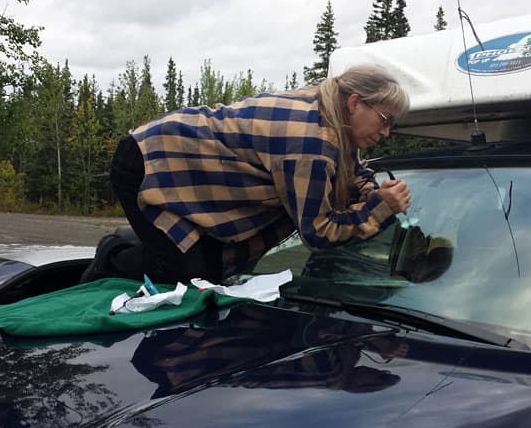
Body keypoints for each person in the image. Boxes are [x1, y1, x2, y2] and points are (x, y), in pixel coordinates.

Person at [82, 64, 411, 284]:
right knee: (184, 274)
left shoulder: (331, 115)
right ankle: (113, 257)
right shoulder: (310, 142)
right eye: (384, 119)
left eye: (392, 125)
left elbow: (353, 168)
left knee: (210, 266)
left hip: (193, 176)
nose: (385, 132)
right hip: (150, 162)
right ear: (355, 102)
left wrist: (371, 193)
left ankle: (140, 245)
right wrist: (379, 208)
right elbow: (318, 232)